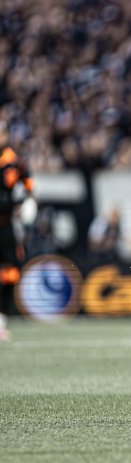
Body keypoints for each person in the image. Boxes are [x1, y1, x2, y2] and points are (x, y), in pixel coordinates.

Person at [0, 122, 32, 341]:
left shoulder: (14, 161)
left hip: (5, 224)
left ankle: (2, 319)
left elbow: (28, 187)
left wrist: (27, 204)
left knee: (10, 270)